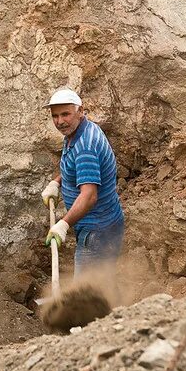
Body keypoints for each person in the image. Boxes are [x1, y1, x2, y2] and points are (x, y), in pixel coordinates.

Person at [41, 88, 124, 278]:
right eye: (55, 116)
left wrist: (63, 224)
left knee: (85, 293)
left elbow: (89, 196)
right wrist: (56, 183)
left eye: (65, 114)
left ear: (80, 110)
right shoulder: (80, 131)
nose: (60, 121)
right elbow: (77, 168)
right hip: (105, 225)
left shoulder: (85, 147)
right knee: (102, 282)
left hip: (96, 232)